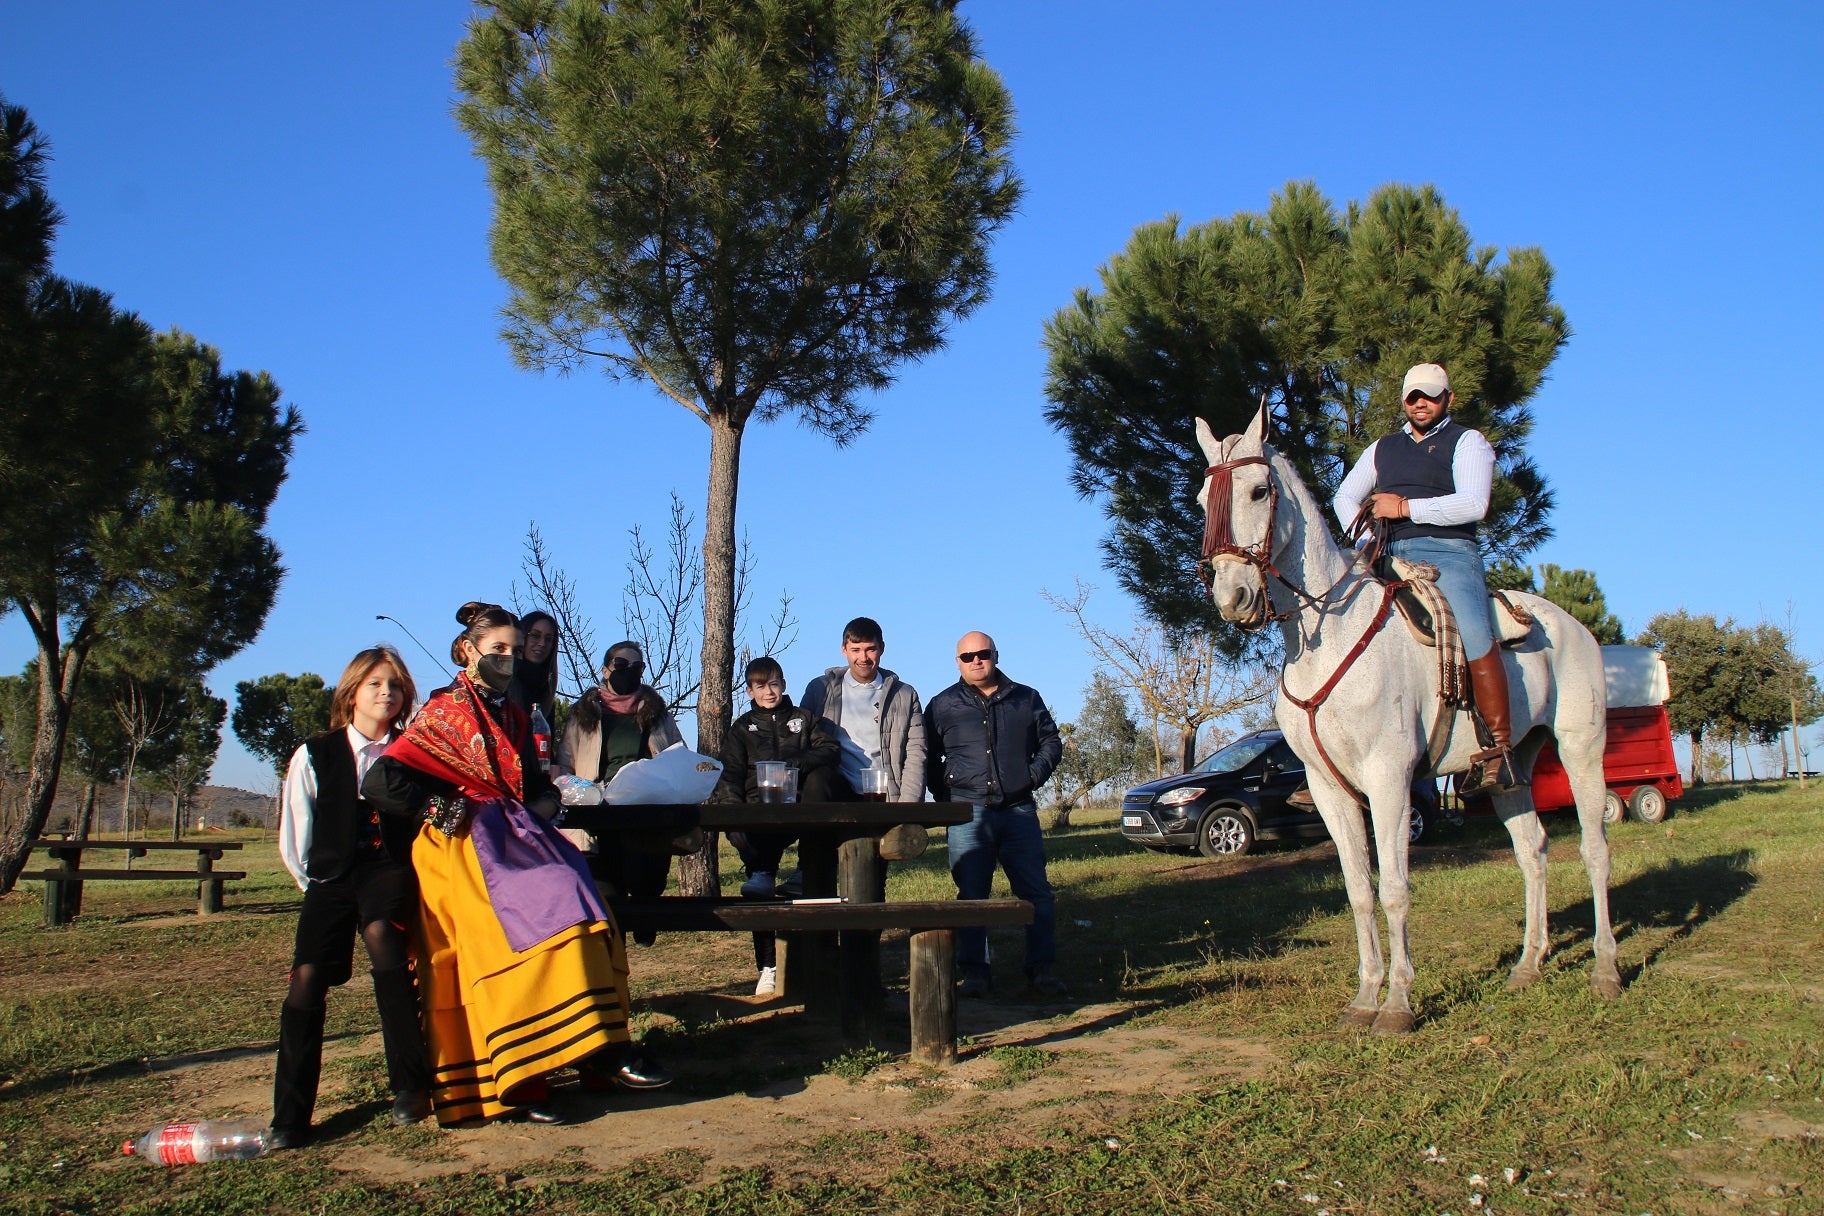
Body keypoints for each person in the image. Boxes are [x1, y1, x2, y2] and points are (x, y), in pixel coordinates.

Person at [363, 602, 668, 1127]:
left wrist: (547, 799)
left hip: (509, 834)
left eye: (511, 649)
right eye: (496, 649)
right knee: (547, 897)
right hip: (460, 845)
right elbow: (381, 781)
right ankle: (522, 1071)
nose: (506, 658)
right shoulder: (445, 710)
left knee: (582, 888)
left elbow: (528, 781)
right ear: (468, 651)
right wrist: (438, 807)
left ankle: (599, 1047)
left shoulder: (511, 713)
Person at [1333, 362, 1523, 794]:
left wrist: (1405, 510)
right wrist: (1364, 536)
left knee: (1474, 632)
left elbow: (1475, 504)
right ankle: (1333, 754)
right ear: (1403, 399)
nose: (1421, 403)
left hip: (1449, 554)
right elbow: (1345, 494)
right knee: (1337, 619)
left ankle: (1501, 750)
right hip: (1385, 552)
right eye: (1413, 396)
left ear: (1448, 399)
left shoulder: (1468, 442)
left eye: (1431, 396)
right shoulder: (1383, 448)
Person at [270, 646, 432, 1149]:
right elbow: (296, 832)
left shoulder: (412, 752)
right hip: (331, 878)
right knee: (306, 978)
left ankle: (410, 1086)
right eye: (375, 684)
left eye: (396, 686)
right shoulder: (315, 752)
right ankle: (290, 1116)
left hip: (390, 870)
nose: (386, 693)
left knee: (385, 942)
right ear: (352, 692)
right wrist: (318, 884)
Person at [924, 631, 1066, 998]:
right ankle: (975, 973)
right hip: (968, 813)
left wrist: (1030, 777)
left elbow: (1051, 742)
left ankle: (1041, 970)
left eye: (982, 654)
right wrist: (947, 796)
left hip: (1018, 811)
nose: (976, 661)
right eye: (967, 656)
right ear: (957, 662)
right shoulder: (942, 705)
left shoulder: (1026, 698)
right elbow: (927, 756)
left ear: (996, 655)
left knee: (1037, 894)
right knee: (971, 896)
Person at [714, 656, 842, 996]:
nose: (768, 692)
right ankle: (767, 966)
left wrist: (797, 762)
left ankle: (821, 959)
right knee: (760, 893)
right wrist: (732, 820)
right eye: (760, 686)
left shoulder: (803, 719)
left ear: (783, 684)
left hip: (799, 808)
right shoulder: (742, 729)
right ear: (749, 691)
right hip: (758, 815)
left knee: (818, 880)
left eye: (773, 684)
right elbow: (729, 776)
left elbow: (829, 750)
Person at [552, 641, 686, 942]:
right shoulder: (583, 714)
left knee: (645, 875)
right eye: (621, 665)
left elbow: (679, 758)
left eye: (636, 667)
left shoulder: (658, 713)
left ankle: (644, 914)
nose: (629, 672)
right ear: (606, 669)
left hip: (645, 808)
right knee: (606, 891)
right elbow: (565, 766)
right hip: (596, 811)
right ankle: (615, 958)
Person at [800, 617, 926, 804]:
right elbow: (802, 741)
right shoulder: (820, 690)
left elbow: (916, 753)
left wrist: (907, 807)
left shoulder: (904, 695)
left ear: (881, 648)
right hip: (836, 792)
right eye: (856, 650)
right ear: (844, 650)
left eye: (870, 649)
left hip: (885, 795)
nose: (863, 658)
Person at [508, 609, 560, 726]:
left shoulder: (546, 693)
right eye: (535, 636)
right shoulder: (503, 683)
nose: (542, 643)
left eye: (548, 639)